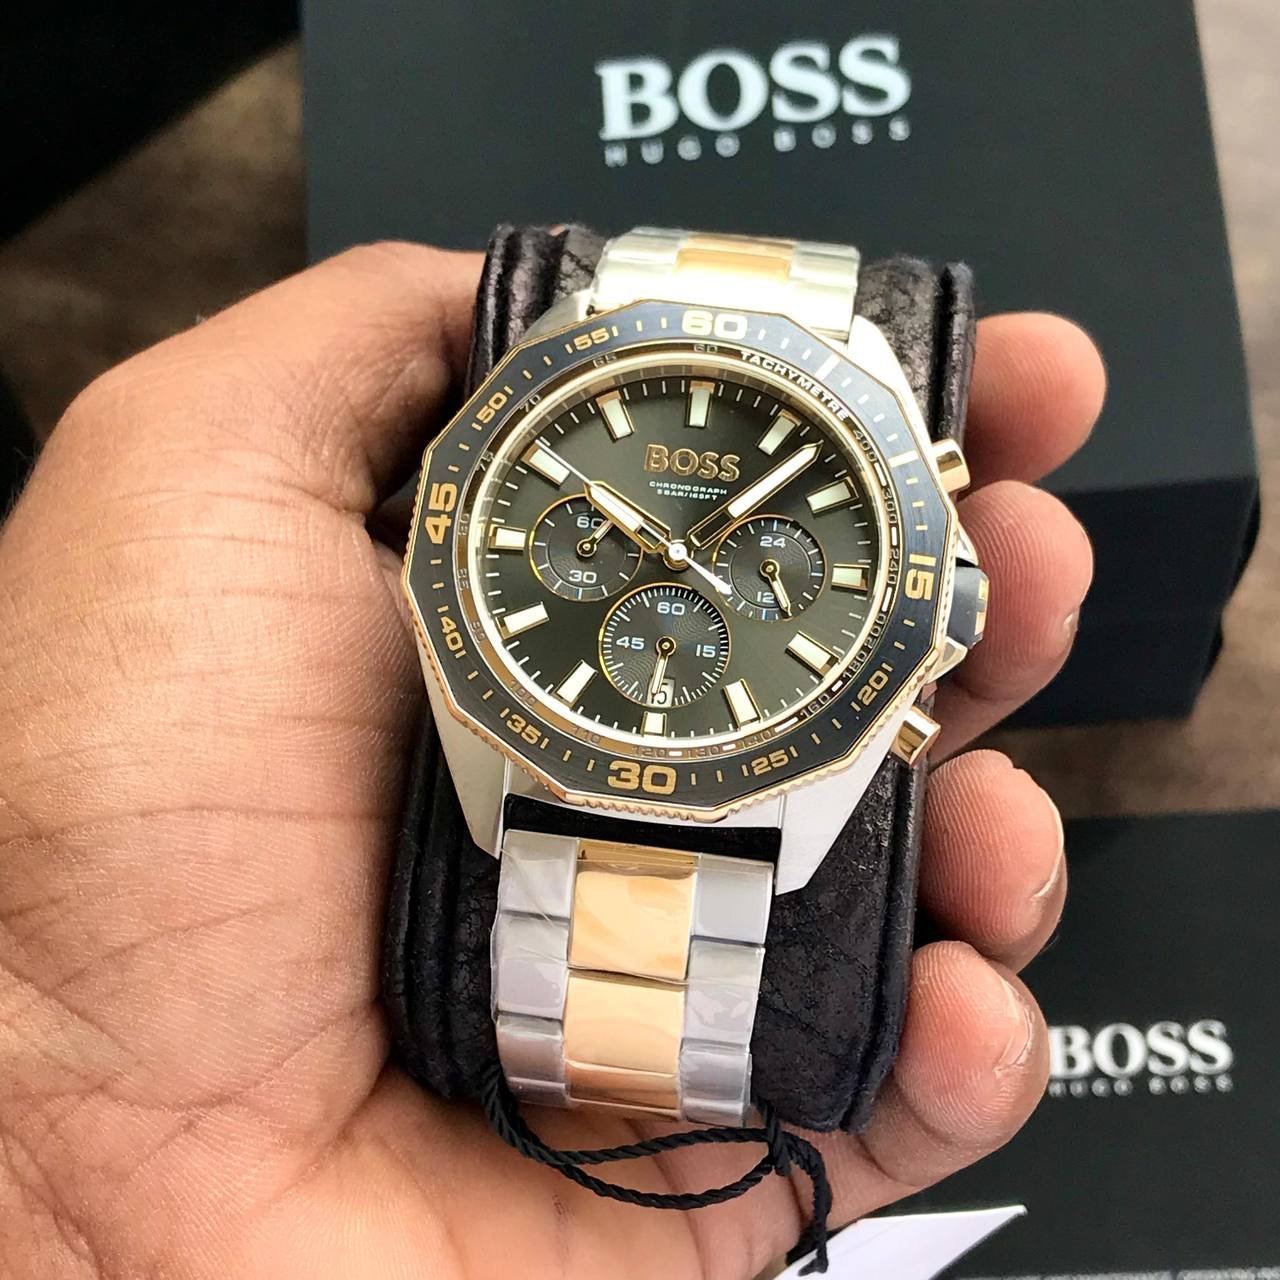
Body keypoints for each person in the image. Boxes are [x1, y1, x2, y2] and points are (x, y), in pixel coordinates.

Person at [0, 243, 1102, 1278]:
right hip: (529, 763)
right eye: (649, 537)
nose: (676, 553)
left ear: (941, 601)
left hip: (750, 786)